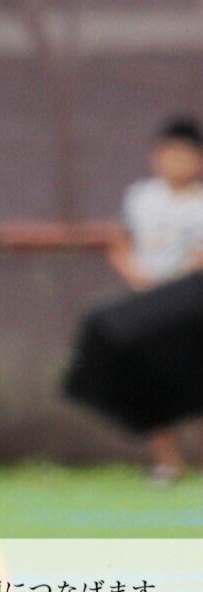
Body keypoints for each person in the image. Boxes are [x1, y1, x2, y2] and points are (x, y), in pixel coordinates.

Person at [106, 115, 203, 482]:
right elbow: (120, 243)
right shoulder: (141, 197)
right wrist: (135, 274)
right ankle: (167, 464)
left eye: (184, 154)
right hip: (148, 307)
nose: (175, 161)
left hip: (190, 308)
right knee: (152, 388)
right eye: (168, 153)